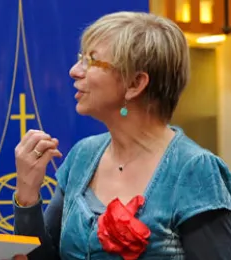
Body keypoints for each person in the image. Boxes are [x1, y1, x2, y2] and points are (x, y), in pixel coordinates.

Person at [12, 11, 231, 259]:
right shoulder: (82, 156)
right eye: (80, 58)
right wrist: (27, 193)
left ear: (135, 84)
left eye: (91, 61)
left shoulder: (195, 169)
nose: (74, 71)